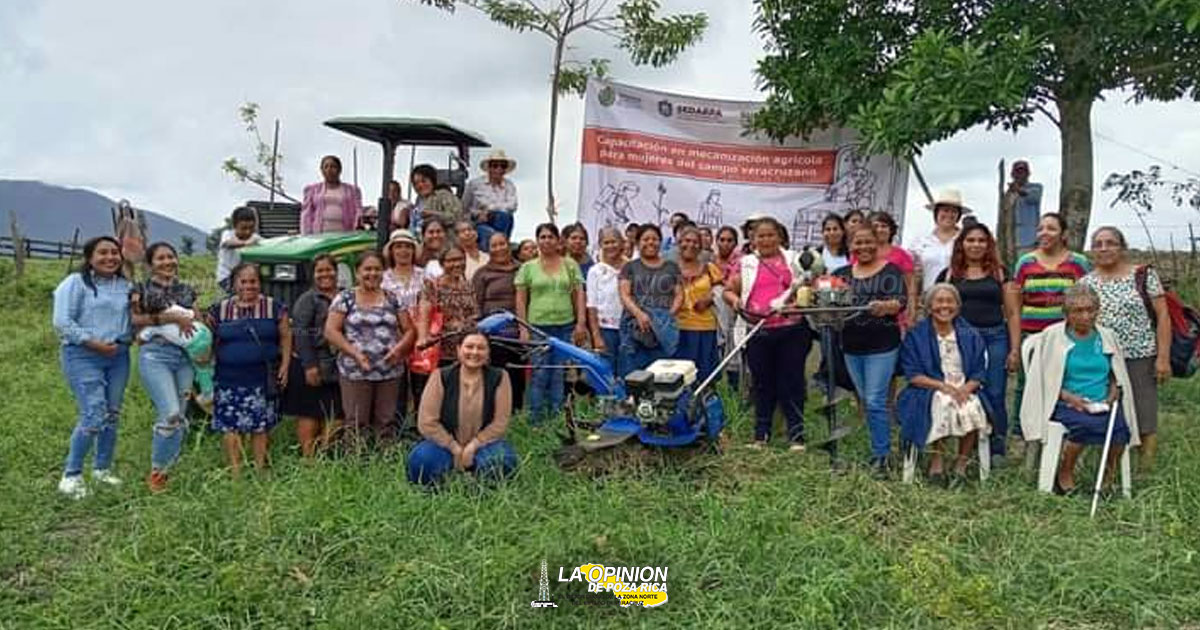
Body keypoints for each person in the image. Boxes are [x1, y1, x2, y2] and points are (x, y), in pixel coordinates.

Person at [1019, 285, 1139, 495]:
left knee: (1120, 430)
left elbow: (1115, 374)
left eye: (1090, 310)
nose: (1085, 316)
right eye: (1078, 311)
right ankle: (1064, 474)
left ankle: (1107, 478)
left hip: (1101, 401)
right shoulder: (1053, 336)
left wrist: (1112, 394)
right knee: (1085, 425)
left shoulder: (1107, 336)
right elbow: (1044, 380)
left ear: (1097, 311)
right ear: (1066, 313)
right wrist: (1069, 398)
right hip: (1063, 402)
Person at [1080, 226, 1171, 471]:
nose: (1104, 248)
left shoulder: (1143, 275)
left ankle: (1145, 470)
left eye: (1110, 243)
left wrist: (1163, 357)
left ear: (1122, 247)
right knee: (1109, 413)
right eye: (1098, 244)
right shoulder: (1086, 283)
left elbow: (1163, 316)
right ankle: (1110, 469)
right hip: (1102, 358)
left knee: (1144, 412)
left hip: (1139, 355)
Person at [52, 236, 133, 499]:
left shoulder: (126, 286)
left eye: (114, 252)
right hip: (82, 355)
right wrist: (93, 343)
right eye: (103, 253)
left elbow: (133, 318)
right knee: (94, 412)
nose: (110, 257)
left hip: (118, 356)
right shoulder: (75, 283)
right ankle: (71, 475)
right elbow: (62, 322)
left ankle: (102, 469)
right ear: (89, 257)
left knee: (111, 413)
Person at [723, 218, 811, 450]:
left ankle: (796, 436)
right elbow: (728, 290)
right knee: (762, 383)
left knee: (791, 382)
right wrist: (735, 302)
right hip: (758, 330)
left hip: (792, 330)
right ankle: (761, 435)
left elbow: (808, 288)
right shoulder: (746, 263)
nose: (766, 240)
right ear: (753, 240)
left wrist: (798, 305)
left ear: (780, 237)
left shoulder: (794, 260)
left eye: (770, 235)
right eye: (760, 236)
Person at [935, 224, 1019, 460]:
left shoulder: (1000, 274)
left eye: (981, 240)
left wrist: (1014, 349)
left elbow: (1013, 313)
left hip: (995, 338)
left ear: (988, 244)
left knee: (995, 392)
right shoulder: (949, 275)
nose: (976, 245)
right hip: (960, 341)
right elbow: (937, 309)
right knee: (963, 392)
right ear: (961, 244)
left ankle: (996, 447)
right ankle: (968, 445)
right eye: (970, 240)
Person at [1008, 213, 1091, 444]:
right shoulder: (1025, 263)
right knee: (1027, 384)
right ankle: (1021, 434)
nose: (1044, 233)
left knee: (1064, 383)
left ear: (1063, 234)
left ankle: (1062, 432)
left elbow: (1085, 301)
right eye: (1041, 228)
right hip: (1032, 335)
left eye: (1051, 228)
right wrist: (1016, 345)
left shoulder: (1078, 263)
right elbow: (1016, 305)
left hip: (1067, 336)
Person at [897, 284, 991, 483]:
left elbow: (979, 372)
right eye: (939, 301)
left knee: (971, 406)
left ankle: (961, 464)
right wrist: (942, 386)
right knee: (942, 402)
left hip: (964, 387)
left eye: (950, 301)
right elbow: (912, 374)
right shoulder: (917, 335)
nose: (944, 306)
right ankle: (937, 461)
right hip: (928, 389)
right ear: (929, 306)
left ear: (958, 306)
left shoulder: (970, 334)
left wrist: (966, 389)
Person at [130, 242, 204, 493]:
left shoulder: (187, 290)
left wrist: (204, 347)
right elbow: (134, 319)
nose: (167, 262)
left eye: (171, 257)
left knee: (180, 415)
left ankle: (170, 468)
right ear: (150, 264)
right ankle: (157, 473)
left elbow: (198, 320)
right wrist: (169, 318)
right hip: (156, 356)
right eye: (160, 258)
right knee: (170, 412)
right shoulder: (140, 289)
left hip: (184, 358)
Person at [835, 226, 907, 476]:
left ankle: (882, 457)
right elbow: (827, 301)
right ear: (850, 246)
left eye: (868, 242)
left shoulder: (891, 271)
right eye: (858, 242)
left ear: (877, 243)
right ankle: (879, 448)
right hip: (851, 345)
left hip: (882, 345)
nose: (863, 247)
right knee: (867, 400)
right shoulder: (841, 275)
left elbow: (900, 301)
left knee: (876, 400)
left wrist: (885, 306)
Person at [324, 252, 415, 450]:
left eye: (377, 269)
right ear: (357, 272)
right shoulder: (345, 298)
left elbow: (409, 330)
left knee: (386, 420)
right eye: (367, 269)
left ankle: (385, 459)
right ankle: (355, 461)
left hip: (389, 370)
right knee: (356, 421)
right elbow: (331, 331)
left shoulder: (393, 298)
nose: (372, 273)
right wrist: (355, 353)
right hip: (355, 371)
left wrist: (399, 350)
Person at [208, 263, 291, 475]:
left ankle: (260, 469)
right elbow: (208, 339)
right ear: (235, 284)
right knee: (230, 426)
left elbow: (285, 337)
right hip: (228, 379)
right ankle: (236, 472)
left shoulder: (274, 307)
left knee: (260, 426)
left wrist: (285, 365)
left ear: (259, 283)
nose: (248, 286)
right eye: (243, 281)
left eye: (253, 281)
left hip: (261, 379)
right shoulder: (220, 310)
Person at [407, 332, 518, 486]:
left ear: (488, 353)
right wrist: (454, 448)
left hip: (485, 445)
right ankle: (443, 483)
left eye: (481, 348)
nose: (474, 352)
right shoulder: (440, 376)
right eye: (469, 347)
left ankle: (479, 486)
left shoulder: (500, 377)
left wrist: (473, 446)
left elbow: (500, 422)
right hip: (444, 445)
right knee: (422, 460)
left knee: (503, 460)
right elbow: (427, 422)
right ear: (459, 350)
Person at [515, 223, 587, 425]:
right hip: (537, 327)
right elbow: (520, 299)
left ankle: (557, 419)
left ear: (558, 241)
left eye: (550, 237)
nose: (546, 241)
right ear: (537, 241)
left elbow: (579, 294)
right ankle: (535, 421)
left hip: (564, 326)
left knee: (558, 373)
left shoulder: (570, 265)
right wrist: (523, 328)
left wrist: (580, 323)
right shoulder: (528, 268)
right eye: (542, 237)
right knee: (539, 373)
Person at [284, 254, 344, 458]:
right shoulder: (307, 300)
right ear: (313, 275)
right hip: (313, 364)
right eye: (320, 271)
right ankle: (309, 459)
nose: (325, 274)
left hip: (339, 366)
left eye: (329, 269)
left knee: (337, 414)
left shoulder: (345, 296)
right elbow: (300, 334)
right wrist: (309, 366)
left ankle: (325, 455)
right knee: (310, 413)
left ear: (336, 272)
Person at [619, 224, 683, 373]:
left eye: (654, 239)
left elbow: (679, 294)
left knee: (660, 373)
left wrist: (668, 315)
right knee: (632, 374)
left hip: (663, 329)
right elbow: (624, 294)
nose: (650, 242)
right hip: (635, 327)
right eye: (645, 239)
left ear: (660, 242)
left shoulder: (671, 267)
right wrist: (639, 314)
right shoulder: (630, 267)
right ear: (637, 243)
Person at [473, 232, 526, 408]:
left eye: (502, 244)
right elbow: (476, 304)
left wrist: (524, 328)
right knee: (495, 374)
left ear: (508, 245)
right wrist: (479, 332)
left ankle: (516, 413)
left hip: (518, 331)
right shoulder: (482, 273)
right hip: (493, 333)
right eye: (494, 245)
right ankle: (494, 411)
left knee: (517, 374)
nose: (499, 248)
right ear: (489, 250)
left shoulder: (522, 269)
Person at [674, 226, 723, 382]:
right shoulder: (669, 268)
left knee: (704, 376)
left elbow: (722, 289)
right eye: (687, 241)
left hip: (705, 329)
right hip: (677, 329)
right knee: (679, 376)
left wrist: (710, 297)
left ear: (701, 246)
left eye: (695, 242)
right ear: (679, 243)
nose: (691, 245)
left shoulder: (709, 268)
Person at [418, 246, 481, 367]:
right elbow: (424, 313)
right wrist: (423, 337)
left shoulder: (469, 286)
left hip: (469, 349)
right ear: (442, 264)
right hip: (443, 350)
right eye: (451, 260)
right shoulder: (433, 286)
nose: (457, 264)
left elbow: (475, 314)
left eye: (460, 259)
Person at [908, 189, 967, 293]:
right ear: (936, 212)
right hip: (927, 296)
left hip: (959, 295)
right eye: (945, 210)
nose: (949, 214)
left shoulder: (965, 239)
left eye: (954, 211)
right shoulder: (920, 240)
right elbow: (910, 270)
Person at [586, 227, 626, 379]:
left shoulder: (631, 268)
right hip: (606, 330)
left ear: (621, 243)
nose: (610, 246)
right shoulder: (595, 271)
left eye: (614, 242)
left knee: (627, 372)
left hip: (628, 329)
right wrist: (596, 336)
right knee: (606, 372)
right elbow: (592, 305)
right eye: (606, 242)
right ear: (600, 245)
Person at [868, 211, 918, 326]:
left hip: (896, 314)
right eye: (876, 226)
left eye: (884, 226)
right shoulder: (860, 253)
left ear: (891, 230)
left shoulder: (902, 255)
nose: (880, 229)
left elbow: (911, 286)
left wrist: (912, 312)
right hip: (865, 311)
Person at [463, 149, 518, 248]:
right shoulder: (475, 184)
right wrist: (477, 215)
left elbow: (512, 206)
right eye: (495, 166)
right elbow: (464, 207)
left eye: (502, 166)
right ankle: (499, 244)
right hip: (478, 222)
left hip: (501, 221)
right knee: (490, 233)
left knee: (503, 216)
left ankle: (499, 243)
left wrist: (489, 211)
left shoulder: (509, 185)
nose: (499, 169)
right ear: (489, 167)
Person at [712, 226, 742, 389]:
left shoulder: (741, 262)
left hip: (734, 309)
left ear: (735, 243)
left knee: (733, 343)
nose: (725, 243)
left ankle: (734, 384)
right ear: (716, 241)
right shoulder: (710, 261)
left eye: (729, 240)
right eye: (722, 240)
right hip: (713, 313)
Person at [301, 155, 363, 234]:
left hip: (346, 235)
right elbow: (306, 214)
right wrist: (306, 235)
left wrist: (357, 229)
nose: (329, 169)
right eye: (326, 167)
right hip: (319, 235)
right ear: (322, 170)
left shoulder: (353, 191)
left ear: (340, 169)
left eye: (333, 166)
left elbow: (358, 211)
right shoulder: (312, 190)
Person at [216, 206, 262, 295]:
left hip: (246, 277)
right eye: (244, 228)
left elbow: (268, 243)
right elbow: (227, 244)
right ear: (235, 226)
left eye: (251, 228)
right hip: (227, 277)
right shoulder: (228, 234)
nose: (248, 232)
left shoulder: (255, 238)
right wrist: (245, 243)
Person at [409, 164, 464, 235]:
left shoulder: (443, 195)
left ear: (432, 180)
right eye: (416, 183)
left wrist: (433, 214)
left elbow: (457, 217)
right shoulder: (418, 201)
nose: (420, 185)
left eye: (424, 181)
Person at [1005, 160, 1044, 251]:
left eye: (1023, 172)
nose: (1020, 175)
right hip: (1011, 240)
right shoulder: (1008, 194)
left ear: (1028, 174)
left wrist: (1018, 190)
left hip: (1030, 240)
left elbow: (1032, 197)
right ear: (1012, 175)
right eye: (1017, 172)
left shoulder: (1036, 187)